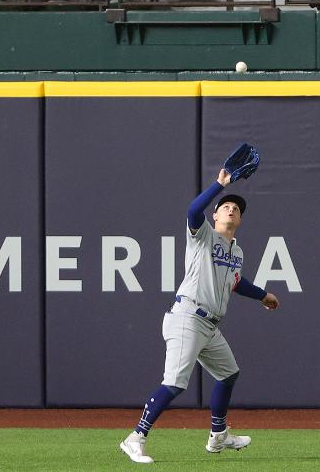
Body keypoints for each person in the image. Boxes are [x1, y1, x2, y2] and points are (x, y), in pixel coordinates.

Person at [118, 163, 279, 465]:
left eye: (236, 208)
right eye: (226, 207)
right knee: (175, 383)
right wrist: (219, 185)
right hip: (188, 317)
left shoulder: (237, 252)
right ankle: (135, 438)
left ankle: (218, 435)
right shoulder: (202, 235)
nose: (231, 210)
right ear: (216, 215)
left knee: (229, 373)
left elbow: (235, 282)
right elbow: (193, 211)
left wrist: (262, 296)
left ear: (240, 219)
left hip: (210, 326)